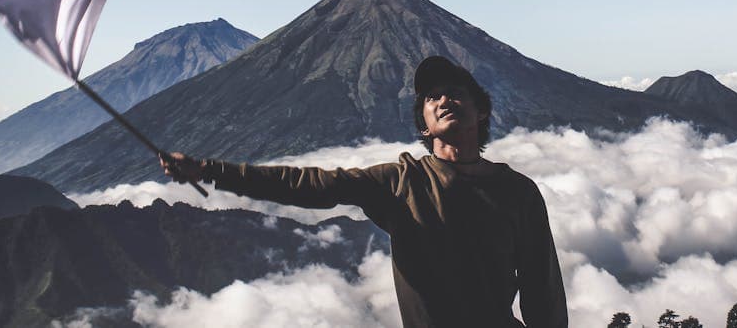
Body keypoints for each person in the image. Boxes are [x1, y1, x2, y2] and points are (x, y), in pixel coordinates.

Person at [160, 55, 568, 328]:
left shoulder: (518, 192)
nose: (443, 98)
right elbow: (312, 185)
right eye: (431, 97)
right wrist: (211, 171)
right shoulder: (400, 182)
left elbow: (542, 290)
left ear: (481, 111)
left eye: (455, 92)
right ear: (424, 126)